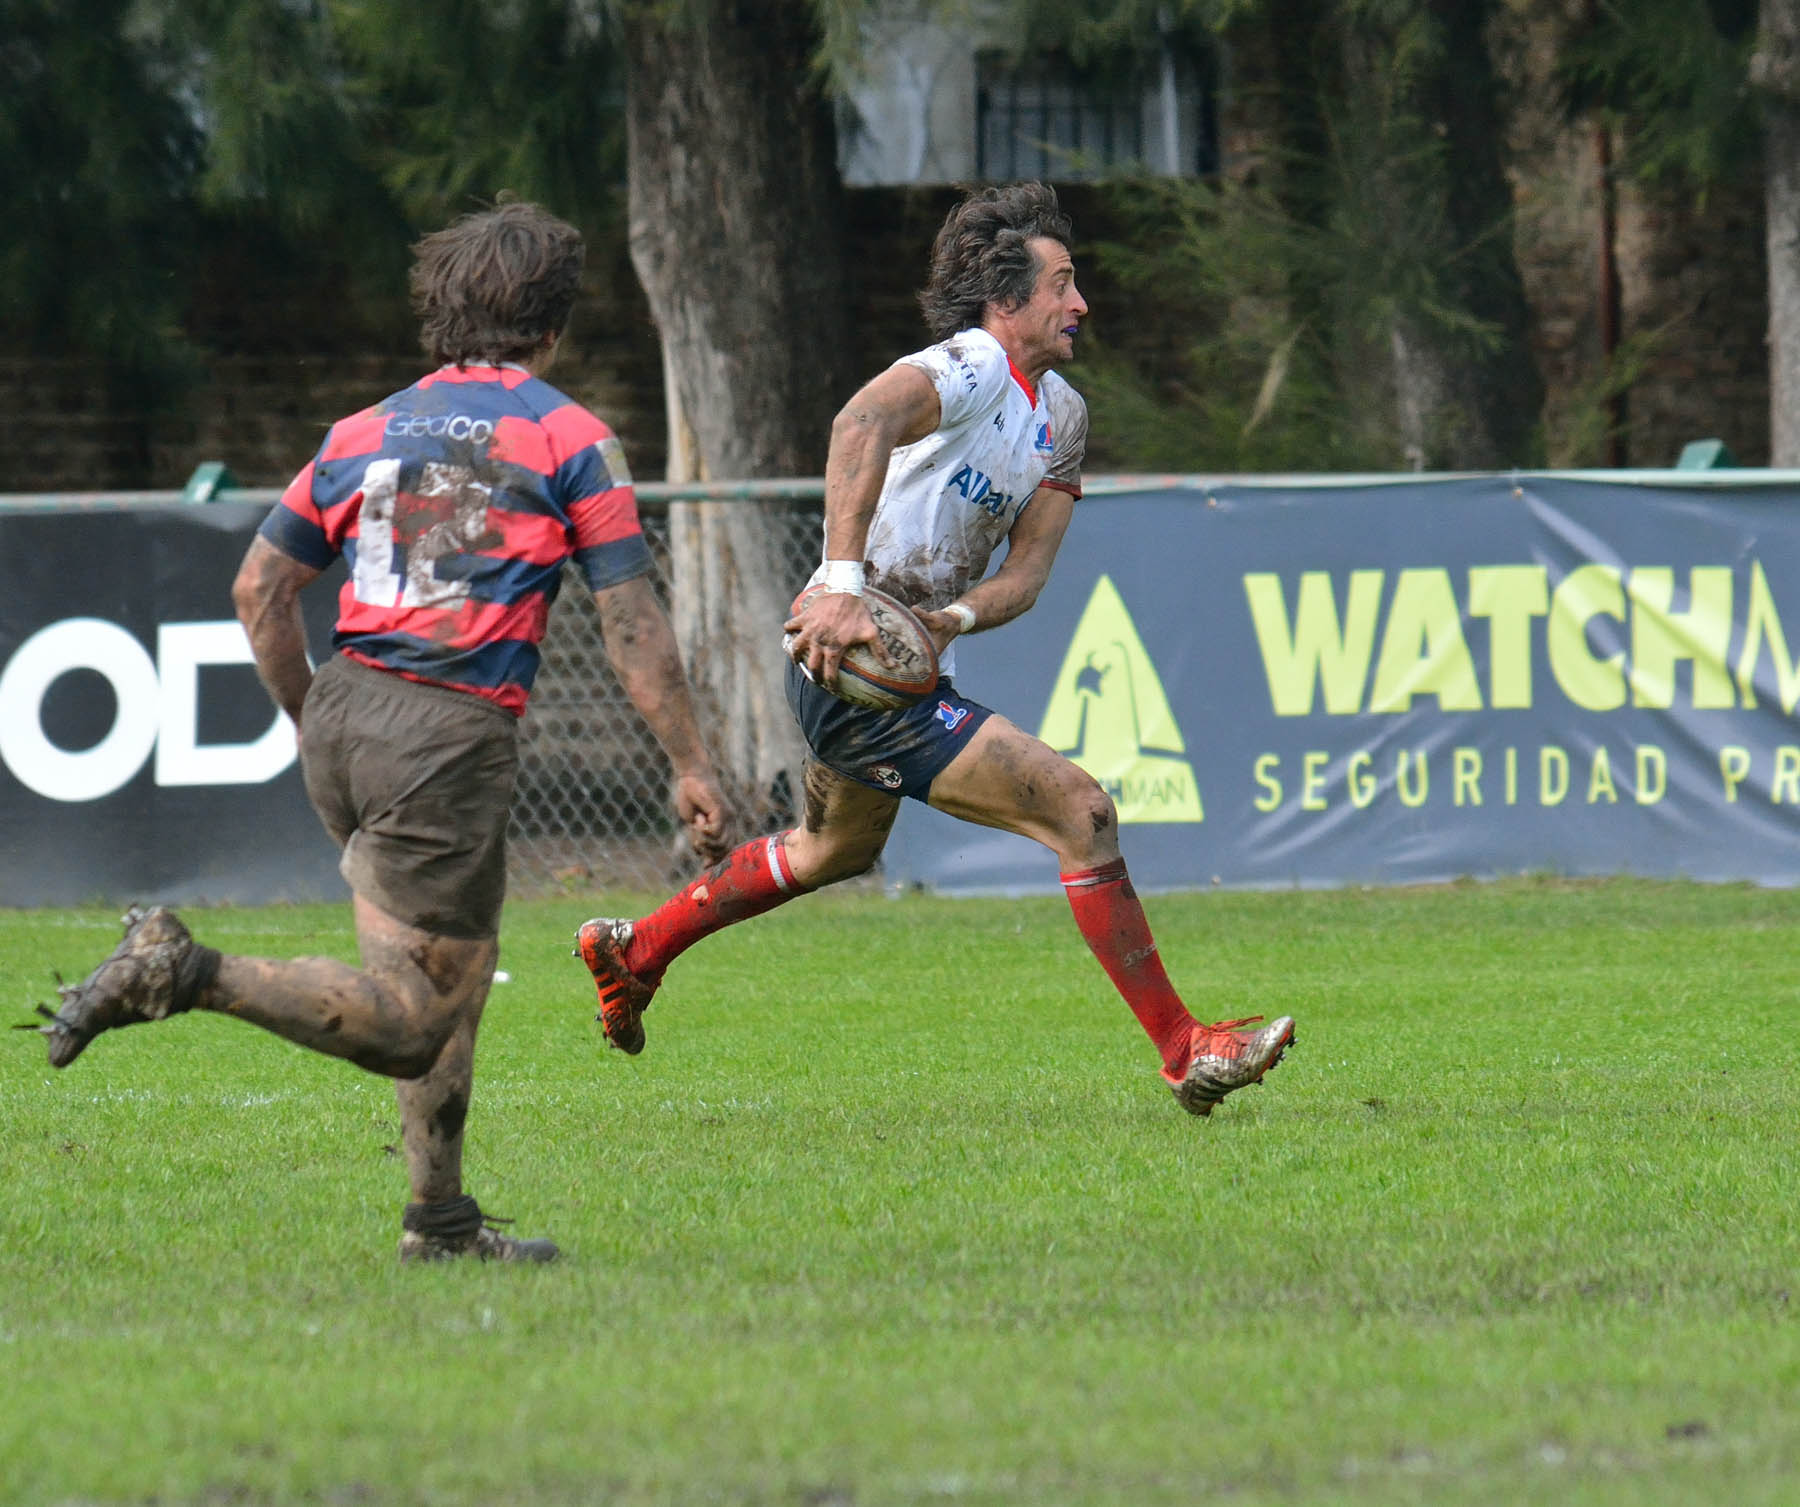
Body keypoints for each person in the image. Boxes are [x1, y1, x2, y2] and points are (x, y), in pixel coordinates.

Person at [26, 200, 731, 1259]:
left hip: (350, 703)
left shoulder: (362, 431)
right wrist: (690, 761)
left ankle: (438, 1219)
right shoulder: (570, 435)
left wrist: (313, 714)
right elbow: (631, 620)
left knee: (449, 968)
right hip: (447, 730)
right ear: (551, 324)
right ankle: (183, 967)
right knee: (411, 1022)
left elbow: (261, 588)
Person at [578, 182, 1294, 1116]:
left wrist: (943, 622)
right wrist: (841, 586)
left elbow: (1027, 573)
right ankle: (1184, 1046)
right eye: (1063, 284)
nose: (1081, 304)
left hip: (902, 664)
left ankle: (636, 950)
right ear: (1007, 300)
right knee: (1082, 811)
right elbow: (859, 422)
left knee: (830, 849)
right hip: (850, 665)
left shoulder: (1062, 418)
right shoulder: (971, 363)